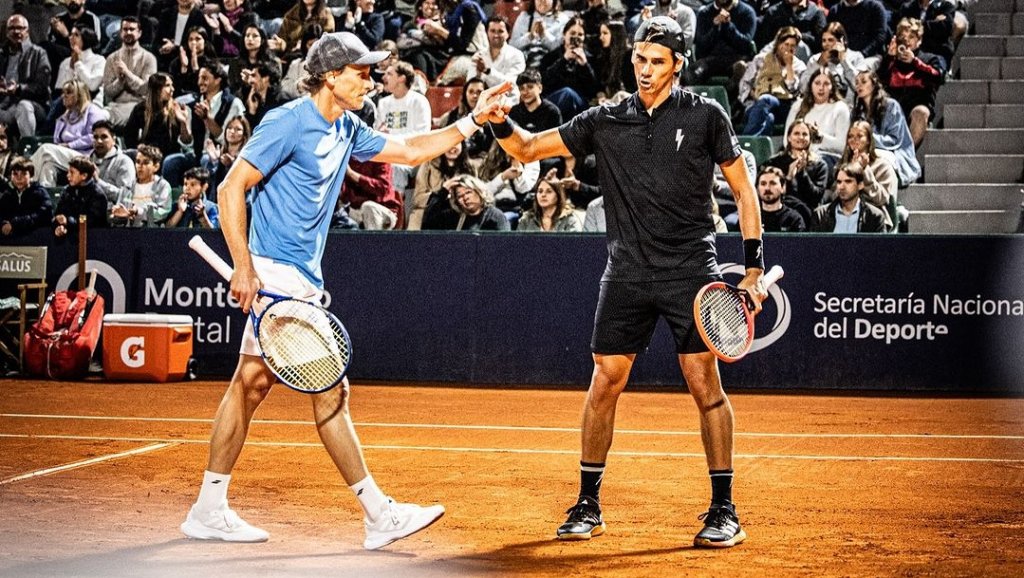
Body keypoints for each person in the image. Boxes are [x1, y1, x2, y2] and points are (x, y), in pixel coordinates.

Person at [179, 31, 510, 548]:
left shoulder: (347, 126)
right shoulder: (287, 122)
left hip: (299, 277)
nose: (370, 79)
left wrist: (473, 120)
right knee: (331, 389)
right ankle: (379, 514)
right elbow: (229, 188)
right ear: (331, 77)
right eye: (360, 71)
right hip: (278, 274)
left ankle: (208, 506)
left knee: (248, 387)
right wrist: (244, 266)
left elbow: (410, 150)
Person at [486, 17, 767, 547]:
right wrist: (499, 121)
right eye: (639, 58)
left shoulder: (707, 115)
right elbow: (526, 149)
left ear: (677, 64)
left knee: (705, 386)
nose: (644, 69)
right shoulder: (606, 118)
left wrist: (752, 267)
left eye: (656, 60)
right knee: (604, 383)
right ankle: (588, 503)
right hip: (628, 273)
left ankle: (724, 508)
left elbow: (745, 192)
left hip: (691, 270)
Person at [878, 18, 945, 148]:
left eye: (911, 37)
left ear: (919, 40)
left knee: (921, 112)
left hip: (917, 106)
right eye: (903, 36)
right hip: (894, 108)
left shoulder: (928, 59)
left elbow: (938, 77)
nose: (907, 41)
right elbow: (878, 82)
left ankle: (907, 154)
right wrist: (889, 58)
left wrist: (915, 62)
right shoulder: (891, 60)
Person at [30, 79, 110, 187]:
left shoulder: (92, 111)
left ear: (79, 95)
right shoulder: (66, 115)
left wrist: (70, 145)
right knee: (48, 166)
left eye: (69, 93)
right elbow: (57, 141)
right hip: (66, 156)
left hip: (85, 157)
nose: (64, 96)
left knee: (45, 150)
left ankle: (27, 184)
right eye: (63, 93)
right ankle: (46, 199)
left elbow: (94, 137)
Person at [851, 69, 920, 188]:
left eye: (863, 81)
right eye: (856, 83)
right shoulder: (857, 112)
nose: (859, 85)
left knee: (877, 159)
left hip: (894, 151)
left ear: (874, 84)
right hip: (865, 151)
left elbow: (895, 139)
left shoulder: (891, 106)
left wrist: (868, 139)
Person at [738, 26, 805, 136]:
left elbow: (793, 91)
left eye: (792, 46)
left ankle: (744, 143)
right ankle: (756, 149)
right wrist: (753, 95)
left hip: (784, 106)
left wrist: (789, 66)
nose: (788, 49)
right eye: (786, 44)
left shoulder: (799, 66)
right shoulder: (760, 60)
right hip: (756, 104)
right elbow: (745, 83)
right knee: (768, 119)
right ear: (778, 44)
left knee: (766, 99)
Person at [0, 14, 52, 138]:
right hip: (4, 104)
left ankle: (28, 148)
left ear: (27, 31)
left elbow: (42, 87)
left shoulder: (39, 53)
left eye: (20, 28)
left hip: (33, 105)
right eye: (12, 28)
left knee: (24, 106)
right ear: (7, 32)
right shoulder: (1, 54)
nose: (16, 31)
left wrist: (18, 89)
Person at [101, 17, 158, 129]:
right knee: (95, 116)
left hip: (139, 106)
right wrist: (120, 81)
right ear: (120, 32)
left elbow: (146, 89)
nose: (128, 32)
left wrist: (127, 73)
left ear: (139, 33)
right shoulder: (112, 58)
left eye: (132, 29)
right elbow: (108, 92)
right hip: (114, 106)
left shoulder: (149, 58)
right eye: (125, 29)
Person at [783, 69, 850, 164]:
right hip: (797, 153)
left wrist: (820, 137)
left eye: (826, 84)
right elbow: (787, 140)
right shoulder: (798, 106)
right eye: (817, 83)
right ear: (811, 86)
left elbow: (842, 146)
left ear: (832, 88)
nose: (821, 88)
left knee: (816, 163)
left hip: (827, 157)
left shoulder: (840, 108)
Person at [809, 161, 889, 232]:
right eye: (839, 182)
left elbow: (879, 248)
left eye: (848, 181)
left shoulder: (874, 217)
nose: (842, 187)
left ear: (860, 185)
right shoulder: (820, 215)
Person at [110, 144, 172, 227]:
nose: (140, 166)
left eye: (146, 163)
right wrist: (118, 214)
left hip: (152, 233)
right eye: (138, 162)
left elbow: (162, 213)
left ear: (156, 166)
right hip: (128, 232)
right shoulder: (128, 186)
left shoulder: (163, 186)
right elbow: (120, 212)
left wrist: (138, 212)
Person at [421, 173, 511, 230]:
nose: (465, 198)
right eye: (460, 196)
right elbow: (427, 223)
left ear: (479, 192)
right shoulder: (452, 217)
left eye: (468, 192)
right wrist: (443, 191)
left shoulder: (496, 216)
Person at [469, 16, 526, 105]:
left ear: (507, 34)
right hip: (482, 104)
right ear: (487, 33)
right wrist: (478, 74)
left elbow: (509, 85)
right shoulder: (478, 56)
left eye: (500, 31)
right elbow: (470, 85)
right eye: (492, 31)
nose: (496, 35)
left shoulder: (517, 55)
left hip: (508, 104)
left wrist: (487, 71)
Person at [52, 155, 107, 236]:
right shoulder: (67, 191)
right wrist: (59, 225)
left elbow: (89, 221)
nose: (68, 175)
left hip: (93, 240)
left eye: (72, 172)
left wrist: (67, 221)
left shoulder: (97, 195)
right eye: (68, 172)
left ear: (84, 176)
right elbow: (58, 213)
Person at [0, 156, 53, 238]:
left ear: (31, 176)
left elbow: (44, 214)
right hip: (13, 240)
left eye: (24, 174)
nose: (19, 178)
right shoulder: (7, 194)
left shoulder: (40, 192)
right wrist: (3, 224)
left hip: (36, 238)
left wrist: (15, 224)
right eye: (15, 174)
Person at [826, 0, 890, 58]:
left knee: (859, 70)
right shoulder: (835, 11)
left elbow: (880, 36)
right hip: (843, 56)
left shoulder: (875, 7)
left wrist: (862, 54)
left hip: (871, 56)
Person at [517, 177, 583, 231]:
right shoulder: (527, 219)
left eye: (549, 191)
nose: (543, 195)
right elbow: (517, 244)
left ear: (558, 195)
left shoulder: (569, 219)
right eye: (540, 191)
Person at [756, 165, 805, 232]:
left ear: (783, 188)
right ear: (757, 189)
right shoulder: (750, 218)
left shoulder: (794, 219)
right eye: (763, 184)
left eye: (772, 183)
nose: (767, 188)